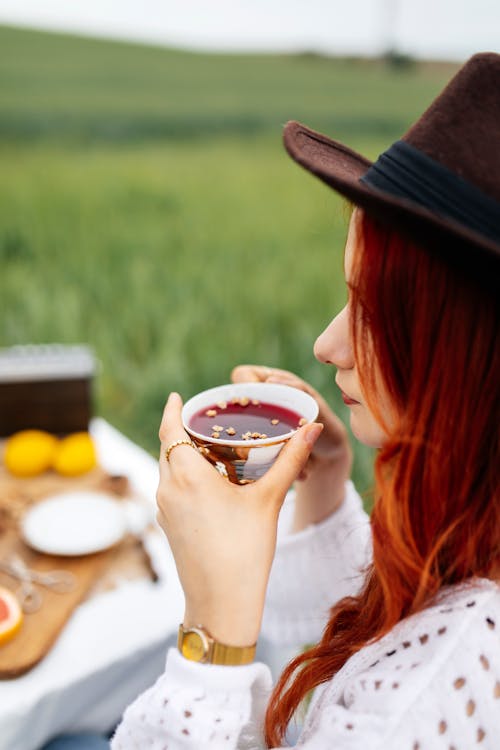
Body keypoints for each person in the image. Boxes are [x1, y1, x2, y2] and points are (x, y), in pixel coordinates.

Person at [111, 52, 499, 749]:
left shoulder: (436, 694)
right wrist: (322, 494)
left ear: (468, 356)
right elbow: (369, 660)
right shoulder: (469, 536)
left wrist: (214, 634)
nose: (326, 346)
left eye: (370, 312)